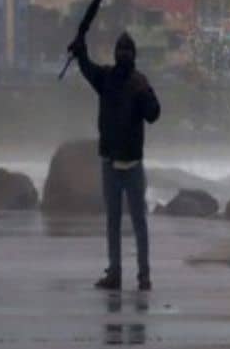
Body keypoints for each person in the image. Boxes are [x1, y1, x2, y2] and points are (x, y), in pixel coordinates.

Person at [69, 31, 161, 291]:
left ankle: (136, 275)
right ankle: (123, 275)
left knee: (129, 223)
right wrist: (80, 51)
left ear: (132, 56)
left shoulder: (132, 82)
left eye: (126, 51)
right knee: (122, 222)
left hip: (126, 164)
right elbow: (87, 68)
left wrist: (80, 52)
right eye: (121, 50)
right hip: (113, 162)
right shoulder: (111, 78)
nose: (123, 55)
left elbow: (153, 114)